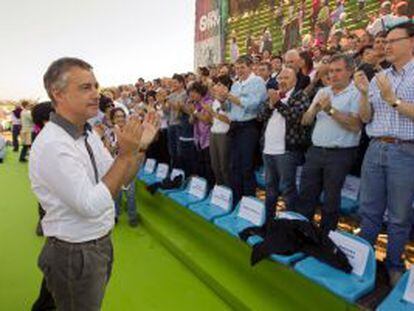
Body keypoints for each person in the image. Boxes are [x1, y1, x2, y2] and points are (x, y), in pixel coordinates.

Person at [29, 57, 160, 310]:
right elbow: (90, 204)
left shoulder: (85, 132)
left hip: (96, 244)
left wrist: (139, 147)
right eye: (85, 87)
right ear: (58, 94)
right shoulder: (54, 145)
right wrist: (125, 155)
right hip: (74, 253)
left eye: (96, 86)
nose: (96, 94)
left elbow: (120, 179)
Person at [356, 21, 414, 286]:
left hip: (405, 151)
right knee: (368, 211)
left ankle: (393, 265)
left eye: (393, 41)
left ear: (411, 42)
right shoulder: (382, 76)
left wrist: (394, 100)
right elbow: (366, 118)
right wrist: (364, 94)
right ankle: (361, 261)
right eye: (385, 42)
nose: (386, 46)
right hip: (374, 147)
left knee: (399, 216)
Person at [297, 54, 362, 235]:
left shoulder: (357, 93)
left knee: (331, 200)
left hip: (340, 154)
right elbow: (305, 121)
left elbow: (356, 125)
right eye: (331, 71)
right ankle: (301, 235)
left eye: (338, 71)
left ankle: (326, 239)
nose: (333, 75)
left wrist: (330, 110)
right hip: (316, 151)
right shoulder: (322, 92)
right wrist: (315, 109)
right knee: (306, 195)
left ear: (350, 72)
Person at [258, 67, 311, 221]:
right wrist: (271, 104)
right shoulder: (273, 95)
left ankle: (291, 225)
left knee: (288, 190)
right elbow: (260, 116)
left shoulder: (300, 95)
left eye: (286, 78)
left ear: (295, 80)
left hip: (287, 152)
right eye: (280, 78)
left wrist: (278, 104)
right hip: (268, 150)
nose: (282, 81)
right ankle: (269, 223)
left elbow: (296, 117)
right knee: (270, 189)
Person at [217, 55, 267, 205]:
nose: (239, 71)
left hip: (249, 127)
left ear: (250, 67)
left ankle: (249, 203)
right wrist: (222, 100)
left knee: (246, 166)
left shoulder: (257, 82)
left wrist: (230, 97)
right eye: (237, 68)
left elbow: (253, 104)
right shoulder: (235, 85)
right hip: (235, 127)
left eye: (242, 68)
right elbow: (229, 108)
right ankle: (237, 201)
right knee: (233, 166)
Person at [105, 107, 139, 227]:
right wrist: (117, 146)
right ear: (113, 119)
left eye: (122, 116)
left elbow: (137, 149)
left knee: (130, 194)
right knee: (116, 194)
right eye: (117, 117)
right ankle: (115, 215)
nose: (120, 119)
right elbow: (108, 150)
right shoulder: (109, 132)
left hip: (129, 166)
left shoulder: (130, 131)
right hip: (115, 166)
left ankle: (132, 216)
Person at [207, 75, 232, 186]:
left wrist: (213, 114)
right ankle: (220, 188)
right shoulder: (215, 100)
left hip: (224, 135)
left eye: (219, 84)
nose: (216, 87)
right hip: (214, 133)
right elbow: (213, 119)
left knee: (224, 166)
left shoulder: (230, 99)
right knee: (215, 165)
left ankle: (228, 190)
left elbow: (229, 120)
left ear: (226, 86)